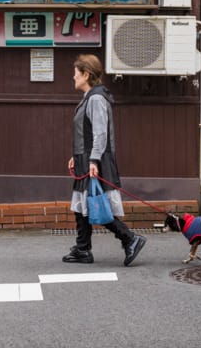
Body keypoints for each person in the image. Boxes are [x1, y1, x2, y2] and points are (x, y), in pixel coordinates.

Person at [63, 54, 147, 266]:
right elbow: (87, 133)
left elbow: (100, 134)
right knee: (82, 206)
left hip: (95, 162)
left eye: (76, 73)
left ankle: (130, 238)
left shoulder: (96, 99)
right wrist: (76, 156)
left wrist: (92, 160)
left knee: (96, 205)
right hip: (87, 160)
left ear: (86, 74)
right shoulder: (90, 97)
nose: (73, 77)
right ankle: (83, 249)